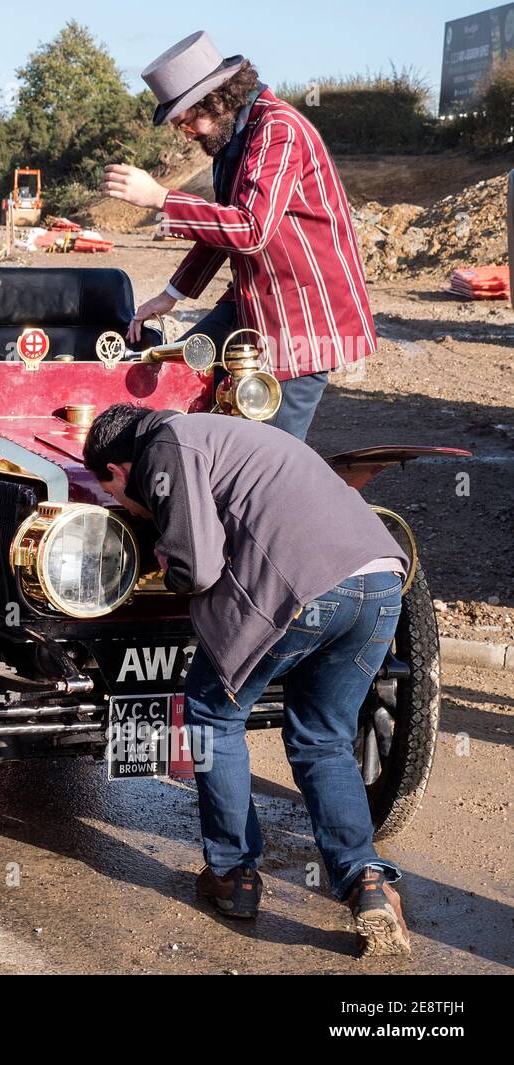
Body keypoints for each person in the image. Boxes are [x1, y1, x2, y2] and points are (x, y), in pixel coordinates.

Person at [82, 403, 412, 957]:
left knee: (212, 714)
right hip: (381, 580)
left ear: (115, 469)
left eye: (115, 495)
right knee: (324, 739)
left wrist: (163, 561)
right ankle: (367, 883)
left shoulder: (169, 443)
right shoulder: (231, 434)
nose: (128, 506)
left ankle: (234, 875)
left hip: (306, 590)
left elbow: (199, 567)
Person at [99, 32, 376, 441]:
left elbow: (250, 230)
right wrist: (171, 295)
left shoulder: (279, 130)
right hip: (252, 303)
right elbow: (222, 230)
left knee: (269, 456)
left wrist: (160, 197)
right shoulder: (231, 140)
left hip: (300, 320)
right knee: (176, 371)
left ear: (218, 98)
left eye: (186, 121)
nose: (186, 133)